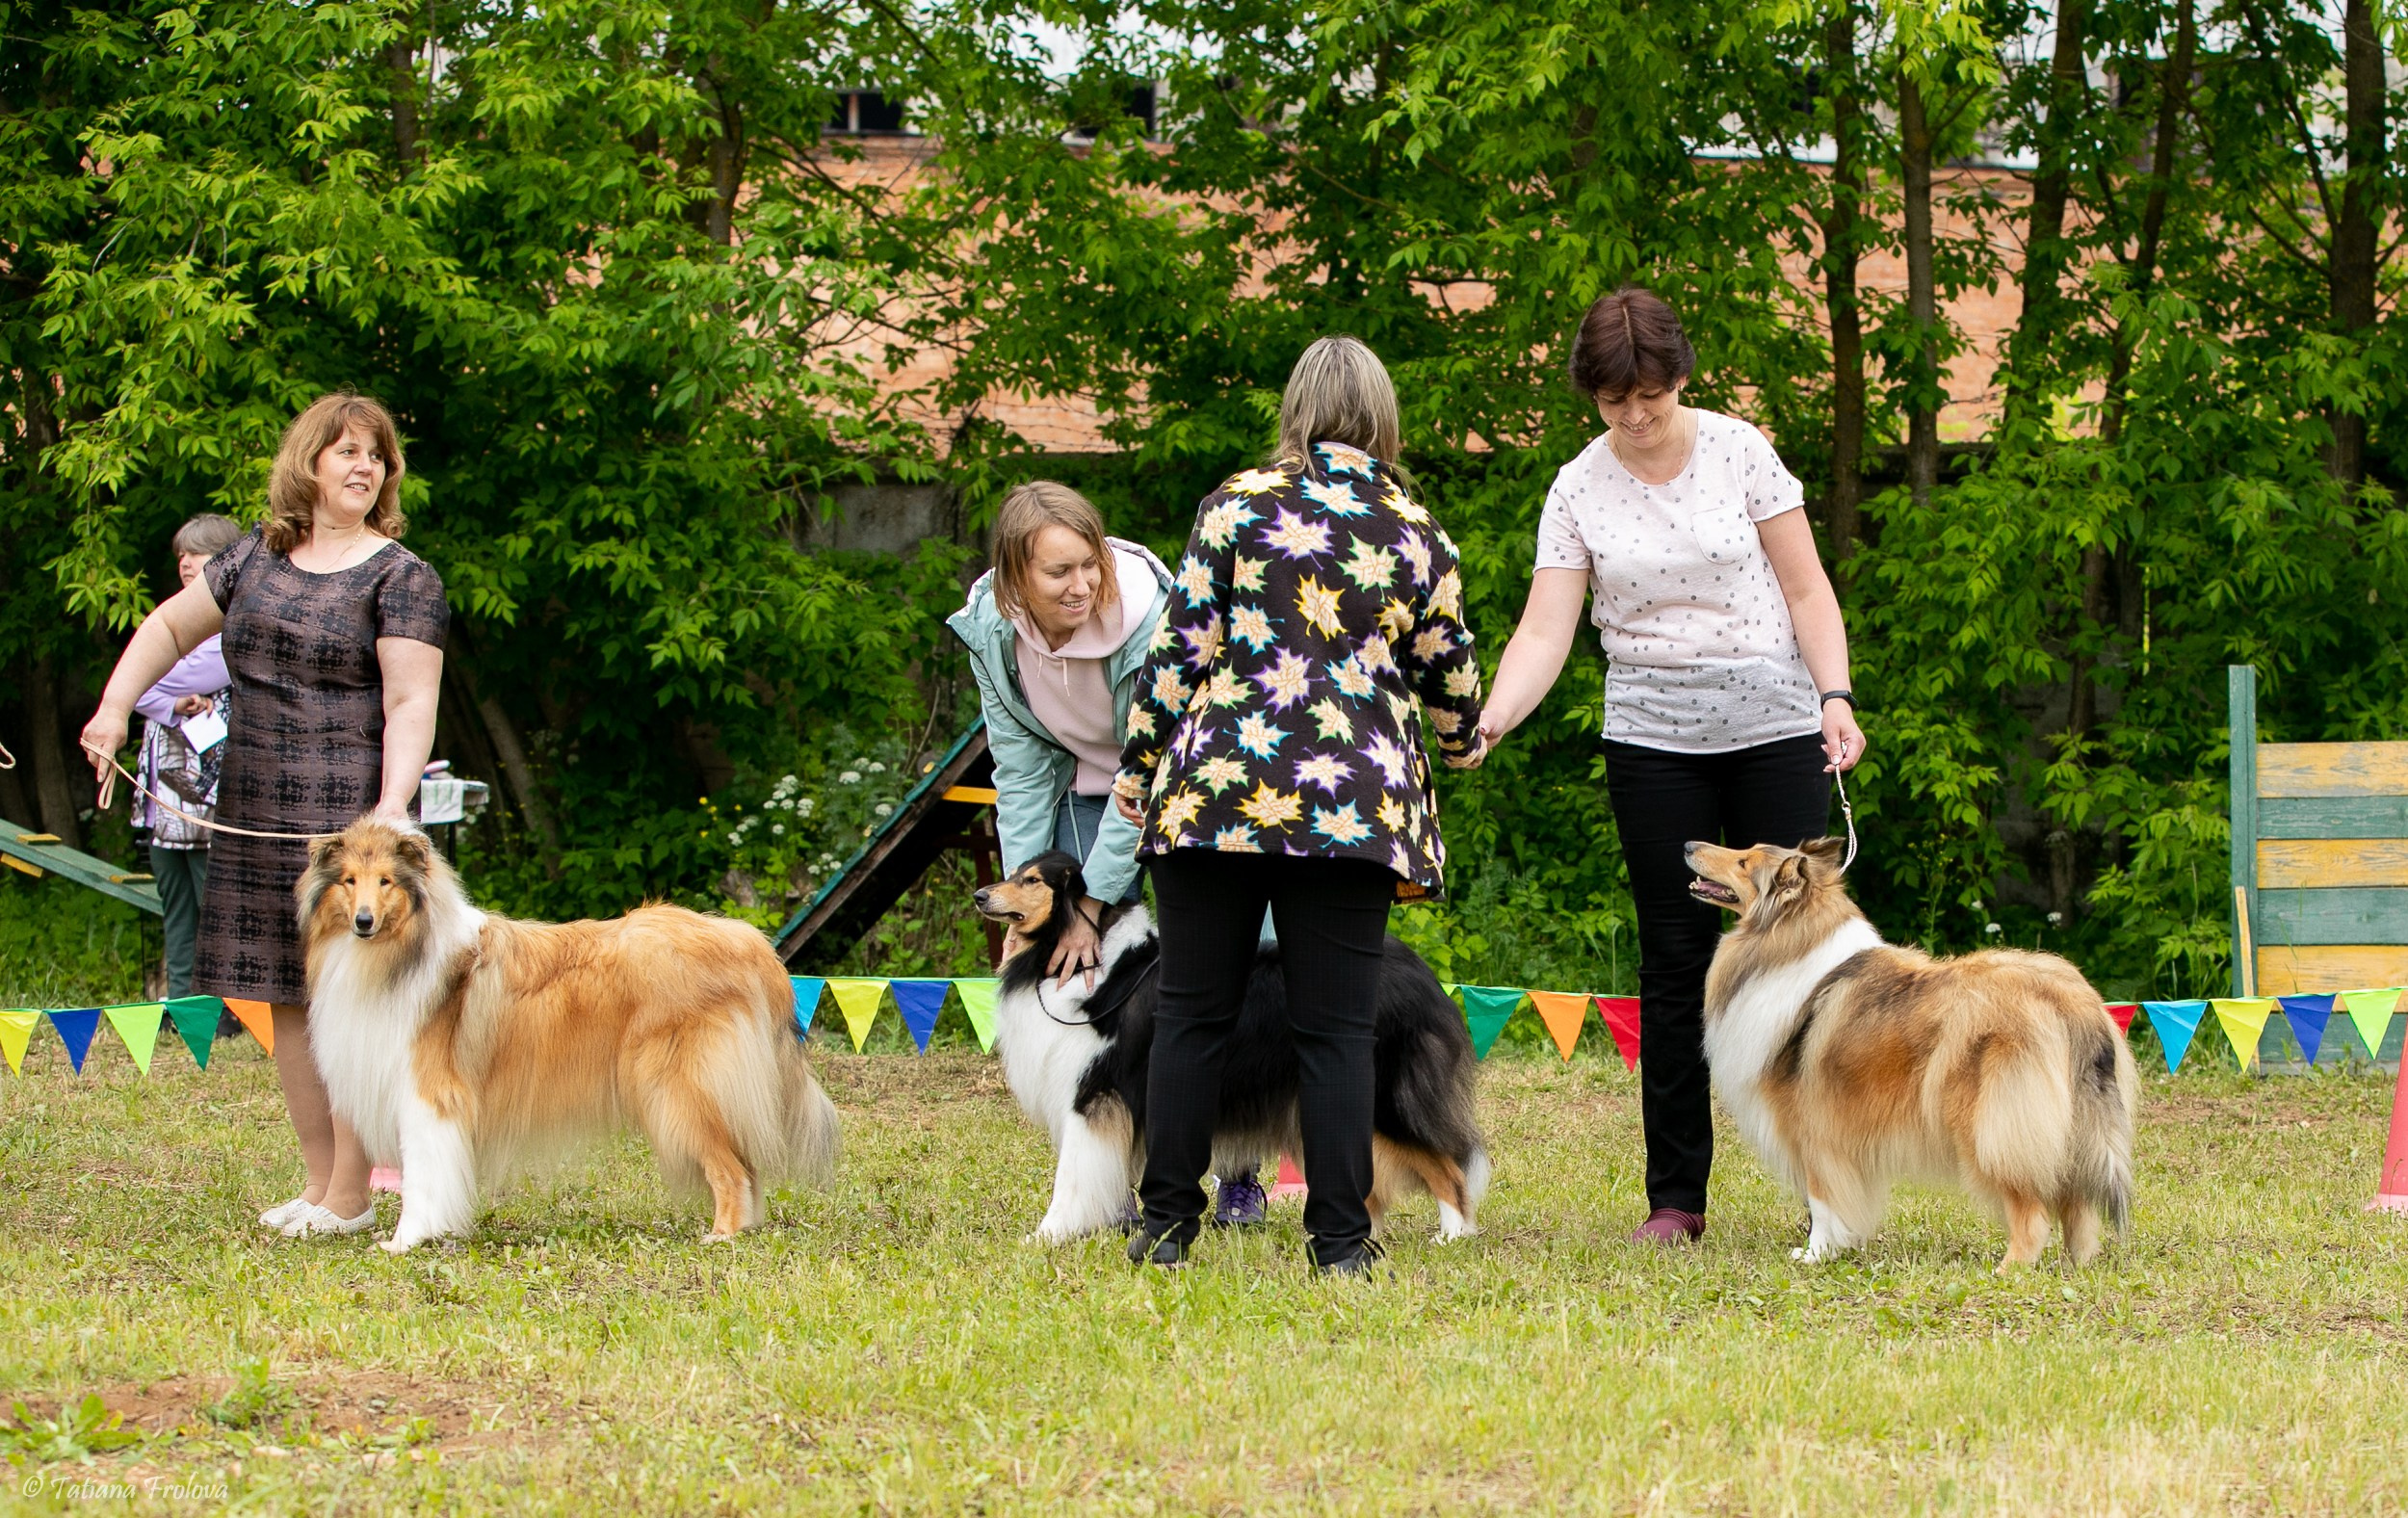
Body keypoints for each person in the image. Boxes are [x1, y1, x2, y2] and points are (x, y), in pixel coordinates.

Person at [1473, 287, 1866, 1244]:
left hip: (1775, 730)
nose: (1635, 416)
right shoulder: (1577, 487)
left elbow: (1807, 588)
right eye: (1614, 401)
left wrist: (1835, 695)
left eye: (1649, 396)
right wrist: (1491, 717)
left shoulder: (1741, 452)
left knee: (1803, 956)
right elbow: (1545, 628)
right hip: (1653, 745)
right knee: (1675, 962)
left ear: (1681, 377)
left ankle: (1826, 1189)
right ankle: (1676, 1199)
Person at [1112, 335, 1487, 1275]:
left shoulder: (1234, 504)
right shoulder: (1415, 528)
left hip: (1217, 794)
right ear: (1383, 418)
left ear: (1296, 411)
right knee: (1336, 1033)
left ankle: (1166, 1224)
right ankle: (1340, 1243)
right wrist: (1459, 740)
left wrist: (1139, 764)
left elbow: (1179, 647)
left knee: (1191, 1013)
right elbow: (1447, 668)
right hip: (1349, 808)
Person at [81, 393, 448, 1240]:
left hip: (348, 818)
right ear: (309, 462)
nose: (365, 467)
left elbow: (410, 700)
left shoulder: (403, 577)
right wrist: (113, 709)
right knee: (282, 997)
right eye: (347, 451)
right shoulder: (255, 555)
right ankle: (320, 1184)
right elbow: (168, 628)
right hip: (252, 801)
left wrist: (392, 805)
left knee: (349, 1006)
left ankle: (353, 1194)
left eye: (377, 456)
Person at [947, 483, 1279, 1224]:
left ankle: (1239, 1173)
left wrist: (1093, 901)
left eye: (1088, 564)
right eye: (1057, 572)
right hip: (1083, 788)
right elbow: (1020, 770)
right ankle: (1109, 1177)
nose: (1081, 584)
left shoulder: (1151, 618)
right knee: (1082, 976)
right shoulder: (991, 631)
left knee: (1235, 969)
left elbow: (1150, 766)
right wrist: (1034, 909)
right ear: (1015, 579)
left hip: (1193, 788)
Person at [133, 514, 242, 1003]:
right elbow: (140, 685)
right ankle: (181, 1008)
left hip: (208, 805)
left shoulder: (230, 627)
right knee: (175, 913)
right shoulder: (171, 623)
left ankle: (225, 1010)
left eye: (196, 553)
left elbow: (137, 682)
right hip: (162, 805)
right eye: (181, 554)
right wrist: (172, 702)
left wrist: (152, 686)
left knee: (213, 911)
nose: (185, 562)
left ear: (226, 560)